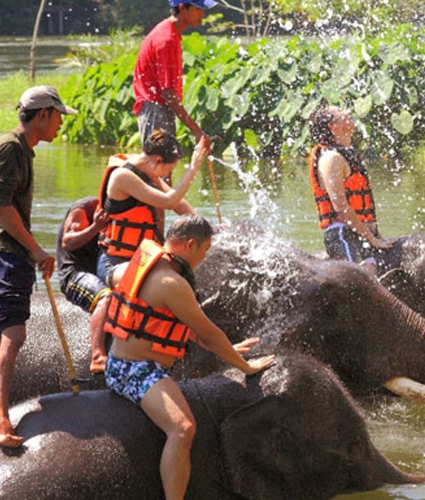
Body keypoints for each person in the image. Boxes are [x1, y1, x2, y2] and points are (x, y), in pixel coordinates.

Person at [104, 215, 275, 500]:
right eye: (205, 249)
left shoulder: (140, 264)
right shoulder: (172, 282)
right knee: (183, 429)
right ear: (191, 244)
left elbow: (169, 322)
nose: (205, 257)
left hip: (122, 362)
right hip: (136, 370)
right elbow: (207, 334)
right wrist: (244, 365)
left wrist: (230, 349)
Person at [0, 85, 77, 448]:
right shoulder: (9, 148)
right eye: (58, 118)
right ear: (42, 115)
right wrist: (36, 250)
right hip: (4, 254)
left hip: (7, 254)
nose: (60, 126)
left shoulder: (24, 151)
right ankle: (1, 417)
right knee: (13, 335)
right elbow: (2, 207)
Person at [96, 129, 209, 283]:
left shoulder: (150, 173)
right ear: (157, 160)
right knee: (163, 282)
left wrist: (206, 230)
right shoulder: (122, 176)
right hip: (114, 263)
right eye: (169, 169)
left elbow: (179, 205)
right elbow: (168, 201)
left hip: (141, 258)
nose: (166, 175)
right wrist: (193, 168)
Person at [308, 104, 396, 276]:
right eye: (341, 112)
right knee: (363, 276)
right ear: (332, 126)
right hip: (342, 234)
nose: (348, 112)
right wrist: (371, 239)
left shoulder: (347, 153)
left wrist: (377, 236)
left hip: (360, 233)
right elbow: (340, 208)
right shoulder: (331, 159)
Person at [133, 0, 217, 146]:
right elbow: (168, 93)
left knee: (163, 165)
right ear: (182, 7)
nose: (202, 14)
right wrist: (196, 130)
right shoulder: (166, 40)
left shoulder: (169, 32)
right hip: (155, 110)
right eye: (198, 9)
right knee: (158, 164)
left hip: (159, 108)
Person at [56, 196, 111, 374]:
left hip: (100, 274)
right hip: (75, 274)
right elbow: (68, 241)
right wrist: (96, 226)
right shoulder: (86, 208)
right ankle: (97, 356)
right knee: (106, 297)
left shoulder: (132, 215)